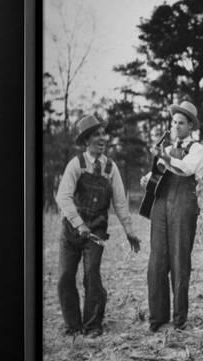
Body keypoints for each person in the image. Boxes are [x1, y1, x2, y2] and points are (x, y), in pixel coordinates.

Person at [55, 115, 141, 337]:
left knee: (91, 274)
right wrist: (79, 224)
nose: (102, 139)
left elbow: (120, 203)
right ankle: (73, 325)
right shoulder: (76, 164)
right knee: (65, 276)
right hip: (71, 232)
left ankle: (93, 324)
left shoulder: (111, 168)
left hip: (97, 232)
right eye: (96, 135)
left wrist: (129, 231)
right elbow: (63, 198)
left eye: (104, 134)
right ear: (86, 140)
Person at [140, 101, 203, 332]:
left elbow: (185, 169)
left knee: (180, 262)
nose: (176, 126)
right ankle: (157, 318)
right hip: (161, 205)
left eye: (181, 123)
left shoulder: (197, 149)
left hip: (184, 205)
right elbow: (157, 174)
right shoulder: (166, 149)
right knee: (157, 261)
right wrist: (147, 178)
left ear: (190, 126)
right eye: (173, 122)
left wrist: (165, 160)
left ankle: (179, 320)